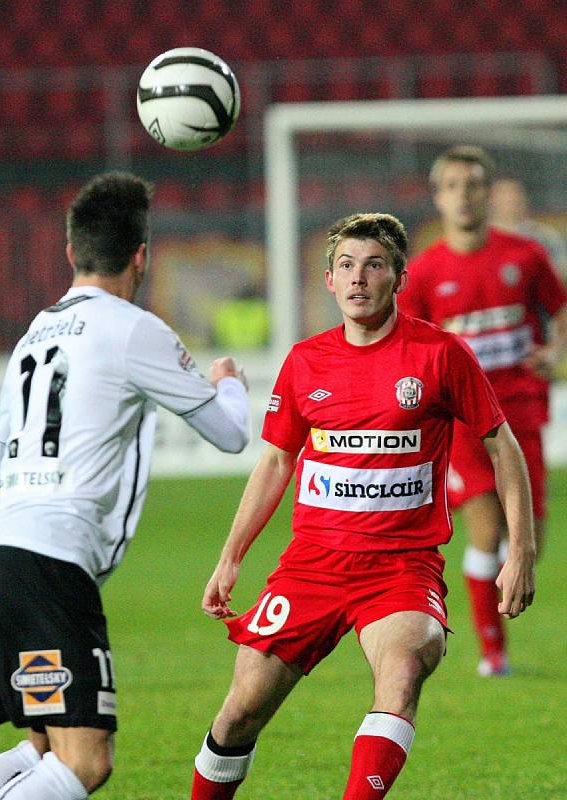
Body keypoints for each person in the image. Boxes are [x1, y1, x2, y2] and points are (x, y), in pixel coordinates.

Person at [189, 212, 535, 800]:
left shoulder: (441, 355)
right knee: (240, 712)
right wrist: (230, 557)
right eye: (346, 266)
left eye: (374, 265)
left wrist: (520, 550)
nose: (358, 278)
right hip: (312, 566)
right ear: (328, 280)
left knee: (400, 678)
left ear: (398, 277)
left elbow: (503, 447)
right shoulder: (305, 362)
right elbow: (275, 463)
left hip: (402, 566)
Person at [0, 172, 250, 800]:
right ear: (142, 255)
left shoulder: (31, 336)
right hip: (50, 568)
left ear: (71, 251)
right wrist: (228, 380)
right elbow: (230, 435)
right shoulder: (133, 328)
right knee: (85, 763)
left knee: (39, 745)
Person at [399, 146, 567, 677]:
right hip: (463, 423)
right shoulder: (424, 274)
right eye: (452, 185)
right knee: (487, 529)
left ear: (487, 193)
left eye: (473, 184)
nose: (463, 195)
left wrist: (555, 353)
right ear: (438, 198)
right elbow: (409, 347)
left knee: (529, 539)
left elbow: (560, 312)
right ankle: (493, 653)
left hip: (521, 410)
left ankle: (489, 617)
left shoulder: (525, 256)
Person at [489, 177, 567, 281]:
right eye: (504, 193)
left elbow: (562, 271)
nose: (511, 198)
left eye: (515, 192)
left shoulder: (544, 235)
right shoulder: (480, 238)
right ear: (491, 199)